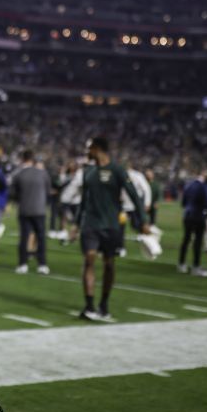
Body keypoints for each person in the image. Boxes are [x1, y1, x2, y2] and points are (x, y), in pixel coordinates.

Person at [75, 137, 148, 322]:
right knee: (89, 259)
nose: (87, 152)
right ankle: (89, 305)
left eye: (89, 149)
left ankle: (104, 305)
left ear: (98, 148)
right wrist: (76, 224)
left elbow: (134, 195)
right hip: (90, 223)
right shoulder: (88, 171)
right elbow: (84, 200)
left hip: (111, 225)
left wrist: (144, 220)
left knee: (109, 263)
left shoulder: (117, 170)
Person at [7, 149, 50, 275]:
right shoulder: (43, 173)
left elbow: (13, 193)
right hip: (40, 210)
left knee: (24, 237)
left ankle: (22, 264)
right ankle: (42, 264)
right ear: (33, 160)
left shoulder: (19, 174)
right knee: (41, 238)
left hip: (24, 209)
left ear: (22, 159)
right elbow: (48, 191)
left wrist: (21, 199)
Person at [178, 171, 207, 276]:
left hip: (187, 215)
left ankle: (181, 264)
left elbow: (183, 202)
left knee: (186, 240)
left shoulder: (188, 185)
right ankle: (196, 266)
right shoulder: (203, 187)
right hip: (198, 216)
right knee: (197, 242)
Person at [118, 166, 152, 258]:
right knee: (121, 227)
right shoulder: (120, 175)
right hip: (123, 207)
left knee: (137, 225)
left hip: (134, 207)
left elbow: (146, 189)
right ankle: (121, 248)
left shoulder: (138, 176)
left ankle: (148, 242)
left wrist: (147, 203)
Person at [57, 160, 83, 243]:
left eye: (72, 165)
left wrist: (75, 195)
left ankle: (74, 235)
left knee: (75, 220)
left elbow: (80, 186)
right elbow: (61, 183)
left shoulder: (79, 175)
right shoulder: (66, 175)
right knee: (63, 216)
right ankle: (63, 232)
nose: (71, 167)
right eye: (69, 165)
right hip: (65, 199)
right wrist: (62, 173)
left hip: (75, 201)